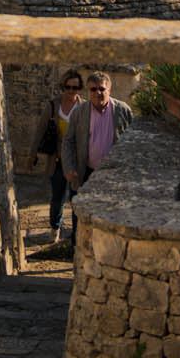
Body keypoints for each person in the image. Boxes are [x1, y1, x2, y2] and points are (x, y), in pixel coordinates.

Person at [61, 71, 133, 248]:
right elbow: (68, 141)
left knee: (111, 215)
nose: (97, 93)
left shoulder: (123, 110)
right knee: (80, 217)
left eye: (102, 89)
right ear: (88, 91)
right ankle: (77, 252)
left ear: (109, 89)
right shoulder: (79, 113)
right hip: (86, 173)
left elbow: (132, 142)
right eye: (93, 89)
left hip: (112, 175)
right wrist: (69, 167)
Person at [28, 71, 84, 244]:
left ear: (79, 88)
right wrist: (32, 154)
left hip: (76, 162)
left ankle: (76, 234)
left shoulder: (84, 108)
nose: (71, 91)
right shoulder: (53, 106)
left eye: (75, 87)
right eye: (68, 87)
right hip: (58, 160)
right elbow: (40, 130)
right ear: (63, 86)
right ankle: (55, 227)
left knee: (76, 199)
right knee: (57, 197)